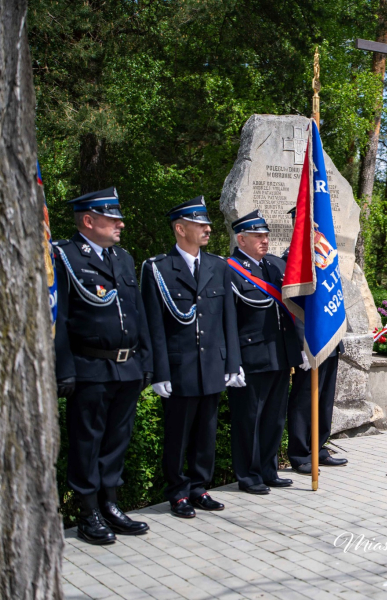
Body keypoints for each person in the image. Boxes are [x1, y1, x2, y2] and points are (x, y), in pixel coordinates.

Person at [53, 188, 152, 545]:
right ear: (89, 220)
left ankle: (110, 504)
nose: (120, 224)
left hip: (126, 368)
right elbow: (58, 318)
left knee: (116, 440)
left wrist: (146, 361)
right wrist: (64, 368)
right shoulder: (63, 257)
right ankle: (87, 511)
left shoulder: (121, 258)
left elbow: (138, 314)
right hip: (89, 366)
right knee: (87, 442)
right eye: (113, 218)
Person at [141, 196, 243, 518]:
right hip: (180, 367)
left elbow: (229, 319)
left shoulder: (217, 266)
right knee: (178, 434)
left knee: (206, 432)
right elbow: (154, 326)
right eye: (200, 224)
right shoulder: (158, 269)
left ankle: (200, 487)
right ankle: (178, 493)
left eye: (207, 224)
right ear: (180, 228)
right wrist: (159, 372)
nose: (208, 229)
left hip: (211, 365)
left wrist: (232, 362)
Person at [227, 210, 302, 494]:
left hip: (280, 354)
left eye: (266, 235)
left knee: (274, 417)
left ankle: (269, 470)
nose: (265, 240)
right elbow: (229, 320)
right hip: (252, 357)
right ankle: (248, 475)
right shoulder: (231, 269)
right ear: (241, 239)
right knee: (249, 420)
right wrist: (233, 362)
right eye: (258, 236)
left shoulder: (273, 265)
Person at [281, 207, 347, 474]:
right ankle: (299, 454)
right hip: (309, 343)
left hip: (328, 340)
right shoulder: (292, 260)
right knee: (304, 400)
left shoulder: (324, 255)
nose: (316, 227)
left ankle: (319, 448)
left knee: (324, 399)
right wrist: (301, 346)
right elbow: (294, 307)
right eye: (310, 223)